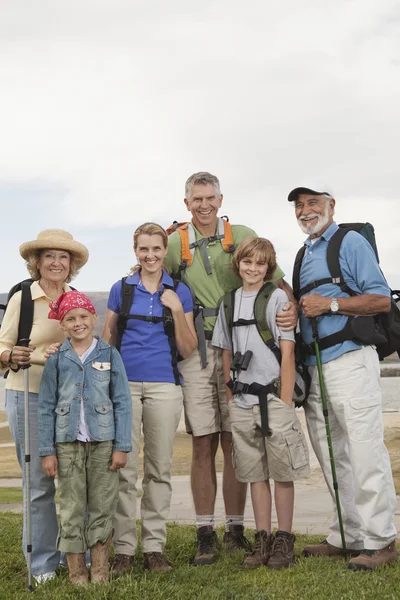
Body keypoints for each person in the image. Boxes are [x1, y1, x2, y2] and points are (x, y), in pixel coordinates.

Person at [163, 172, 298, 565]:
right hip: (196, 347)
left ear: (221, 200)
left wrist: (290, 311)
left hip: (241, 346)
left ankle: (237, 529)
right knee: (203, 440)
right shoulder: (174, 243)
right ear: (186, 203)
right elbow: (153, 277)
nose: (204, 205)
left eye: (210, 198)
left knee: (235, 440)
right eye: (196, 199)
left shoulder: (240, 233)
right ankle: (206, 531)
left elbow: (274, 278)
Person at [288, 183, 398, 570]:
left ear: (331, 205)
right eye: (300, 205)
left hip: (351, 361)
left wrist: (331, 303)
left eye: (313, 202)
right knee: (332, 455)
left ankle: (382, 540)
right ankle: (347, 535)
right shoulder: (303, 254)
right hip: (316, 368)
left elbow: (381, 298)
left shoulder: (350, 242)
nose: (305, 210)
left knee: (366, 450)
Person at [102, 222, 197, 575]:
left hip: (164, 387)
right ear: (136, 252)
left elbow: (188, 350)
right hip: (124, 387)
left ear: (165, 251)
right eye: (144, 249)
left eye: (157, 249)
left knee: (159, 470)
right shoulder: (121, 289)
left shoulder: (179, 291)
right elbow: (108, 340)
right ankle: (124, 549)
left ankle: (154, 548)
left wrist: (174, 308)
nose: (151, 255)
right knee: (124, 469)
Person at [212, 237, 310, 569]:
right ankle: (263, 538)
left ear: (268, 268)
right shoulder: (228, 302)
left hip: (273, 399)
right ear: (237, 264)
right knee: (255, 474)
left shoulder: (277, 298)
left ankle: (284, 538)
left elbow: (287, 351)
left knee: (282, 471)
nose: (253, 269)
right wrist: (229, 396)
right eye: (247, 262)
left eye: (260, 264)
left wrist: (284, 400)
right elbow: (226, 352)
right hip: (241, 401)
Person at [0, 229, 88, 584]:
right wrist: (15, 354)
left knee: (72, 480)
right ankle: (42, 566)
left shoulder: (76, 298)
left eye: (63, 257)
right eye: (49, 256)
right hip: (28, 393)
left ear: (71, 265)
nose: (56, 263)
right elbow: (2, 348)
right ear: (36, 262)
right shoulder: (23, 295)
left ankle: (71, 556)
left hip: (69, 398)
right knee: (39, 483)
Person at [38, 291, 132, 585]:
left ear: (94, 318)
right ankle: (77, 569)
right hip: (66, 444)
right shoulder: (57, 359)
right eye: (71, 319)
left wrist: (121, 446)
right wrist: (47, 450)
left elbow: (122, 402)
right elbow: (45, 406)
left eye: (83, 317)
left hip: (103, 443)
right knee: (71, 505)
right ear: (63, 325)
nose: (78, 323)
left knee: (103, 503)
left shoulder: (109, 354)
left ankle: (100, 567)